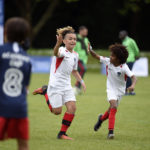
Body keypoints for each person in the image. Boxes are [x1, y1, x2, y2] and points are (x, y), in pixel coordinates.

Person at [33, 26, 86, 140]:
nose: (73, 41)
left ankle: (62, 134)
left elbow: (74, 71)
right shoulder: (62, 50)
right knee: (56, 111)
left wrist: (81, 81)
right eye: (70, 39)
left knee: (72, 108)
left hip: (66, 85)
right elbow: (56, 53)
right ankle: (45, 91)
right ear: (64, 41)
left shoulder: (75, 55)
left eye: (74, 39)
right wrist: (57, 44)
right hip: (56, 85)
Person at [88, 43, 136, 139]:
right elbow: (96, 56)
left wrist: (133, 85)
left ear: (118, 58)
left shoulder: (124, 67)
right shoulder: (108, 61)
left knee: (111, 110)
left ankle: (100, 120)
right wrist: (90, 50)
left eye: (113, 56)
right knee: (113, 106)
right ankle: (111, 132)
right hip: (110, 89)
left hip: (120, 91)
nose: (110, 57)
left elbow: (134, 77)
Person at [0, 17, 31, 150]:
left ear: (5, 32)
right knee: (23, 145)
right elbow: (26, 88)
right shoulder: (26, 58)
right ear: (24, 37)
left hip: (1, 105)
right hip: (20, 107)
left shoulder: (1, 51)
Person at [119, 30, 139, 95]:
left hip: (130, 60)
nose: (120, 36)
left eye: (121, 35)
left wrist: (136, 55)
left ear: (125, 35)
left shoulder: (131, 41)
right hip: (125, 60)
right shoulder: (123, 41)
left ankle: (129, 90)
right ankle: (129, 90)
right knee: (126, 75)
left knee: (127, 75)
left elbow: (136, 49)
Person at [73, 26, 89, 95]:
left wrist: (89, 50)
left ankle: (78, 88)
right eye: (85, 32)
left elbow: (88, 47)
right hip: (78, 58)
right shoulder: (75, 38)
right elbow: (72, 48)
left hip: (84, 59)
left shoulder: (86, 39)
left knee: (80, 72)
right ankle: (76, 87)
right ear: (80, 31)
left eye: (86, 32)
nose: (86, 33)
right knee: (83, 69)